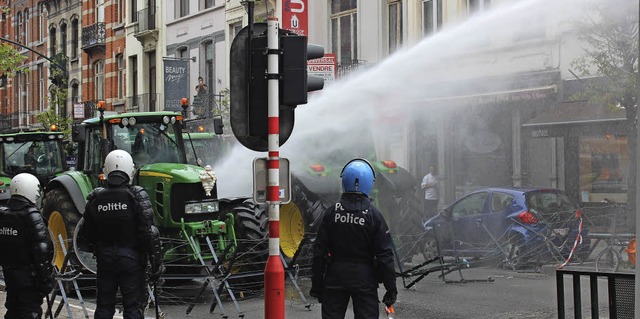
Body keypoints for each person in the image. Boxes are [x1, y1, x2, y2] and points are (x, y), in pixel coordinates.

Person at [78, 150, 163, 319]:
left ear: (106, 170)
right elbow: (149, 232)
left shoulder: (95, 198)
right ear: (129, 170)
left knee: (103, 307)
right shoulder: (136, 195)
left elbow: (86, 234)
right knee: (132, 307)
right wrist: (156, 263)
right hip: (131, 260)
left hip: (104, 260)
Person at [310, 159, 397, 319]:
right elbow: (385, 256)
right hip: (365, 278)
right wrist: (391, 288)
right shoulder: (374, 216)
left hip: (334, 276)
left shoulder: (330, 213)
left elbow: (319, 252)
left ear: (344, 181)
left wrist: (317, 285)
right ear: (369, 184)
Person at [0, 173, 54, 319]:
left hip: (10, 275)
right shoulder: (32, 216)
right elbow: (42, 252)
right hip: (29, 278)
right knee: (30, 312)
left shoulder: (4, 215)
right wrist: (46, 280)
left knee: (12, 310)